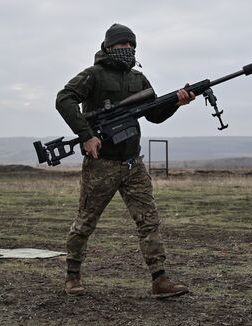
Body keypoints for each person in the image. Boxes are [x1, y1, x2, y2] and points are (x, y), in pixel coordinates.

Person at [56, 23, 195, 298]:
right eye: (122, 45)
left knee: (149, 220)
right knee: (86, 221)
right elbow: (64, 99)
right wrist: (86, 135)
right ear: (108, 47)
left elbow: (153, 114)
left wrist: (176, 103)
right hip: (102, 163)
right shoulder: (93, 75)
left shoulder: (138, 79)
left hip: (132, 163)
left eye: (131, 45)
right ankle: (72, 275)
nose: (127, 49)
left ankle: (160, 279)